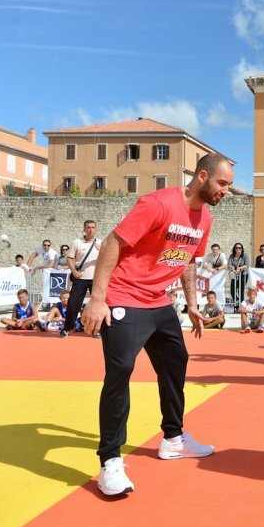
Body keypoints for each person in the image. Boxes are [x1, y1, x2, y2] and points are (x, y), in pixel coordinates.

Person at [80, 152, 233, 497]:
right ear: (203, 176)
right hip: (123, 297)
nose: (227, 191)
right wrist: (98, 298)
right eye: (223, 183)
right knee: (120, 374)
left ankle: (173, 438)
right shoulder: (158, 204)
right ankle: (110, 462)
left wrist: (192, 305)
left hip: (159, 301)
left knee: (175, 362)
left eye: (229, 186)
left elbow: (190, 262)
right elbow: (111, 244)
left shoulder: (204, 219)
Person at [61, 220, 101, 339]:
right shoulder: (77, 242)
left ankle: (96, 330)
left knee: (97, 305)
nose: (91, 229)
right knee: (73, 303)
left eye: (93, 227)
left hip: (96, 278)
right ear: (84, 229)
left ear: (96, 229)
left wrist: (102, 251)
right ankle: (68, 327)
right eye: (88, 227)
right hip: (80, 277)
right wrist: (74, 271)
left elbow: (107, 259)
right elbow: (70, 258)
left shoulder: (100, 243)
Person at [228, 243, 249, 309]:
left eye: (240, 248)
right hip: (234, 274)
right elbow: (229, 265)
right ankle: (237, 302)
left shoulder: (245, 255)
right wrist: (234, 268)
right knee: (232, 290)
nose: (238, 249)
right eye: (236, 248)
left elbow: (247, 265)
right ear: (234, 249)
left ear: (242, 249)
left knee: (240, 290)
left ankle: (241, 306)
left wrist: (239, 268)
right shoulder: (232, 256)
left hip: (243, 274)